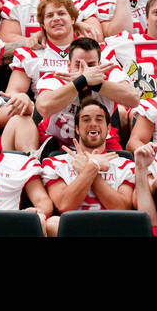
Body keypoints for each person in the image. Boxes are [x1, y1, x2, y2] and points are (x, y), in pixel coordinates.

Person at [41, 99, 137, 236]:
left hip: (112, 228)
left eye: (99, 120)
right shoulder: (55, 163)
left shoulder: (126, 165)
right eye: (86, 120)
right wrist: (93, 167)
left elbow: (121, 208)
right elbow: (64, 205)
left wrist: (91, 167)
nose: (93, 124)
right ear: (77, 129)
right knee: (53, 224)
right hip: (75, 229)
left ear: (108, 128)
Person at [36, 38, 139, 151]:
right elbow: (43, 108)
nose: (85, 70)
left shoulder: (110, 72)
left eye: (91, 65)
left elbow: (134, 99)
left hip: (99, 138)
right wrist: (81, 82)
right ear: (68, 64)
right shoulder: (57, 75)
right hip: (57, 138)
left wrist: (93, 83)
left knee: (120, 163)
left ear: (99, 64)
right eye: (78, 64)